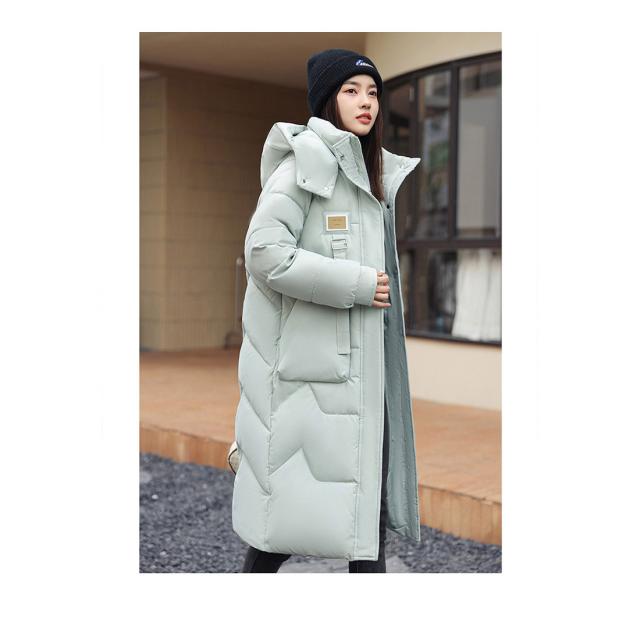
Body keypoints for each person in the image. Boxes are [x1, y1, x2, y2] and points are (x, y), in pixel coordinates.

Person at [233, 48, 422, 573]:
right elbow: (264, 252)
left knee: (364, 516)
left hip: (362, 376)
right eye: (351, 91)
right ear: (326, 100)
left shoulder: (370, 174)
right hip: (312, 378)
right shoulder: (304, 165)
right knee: (282, 522)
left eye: (373, 93)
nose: (366, 103)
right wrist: (356, 283)